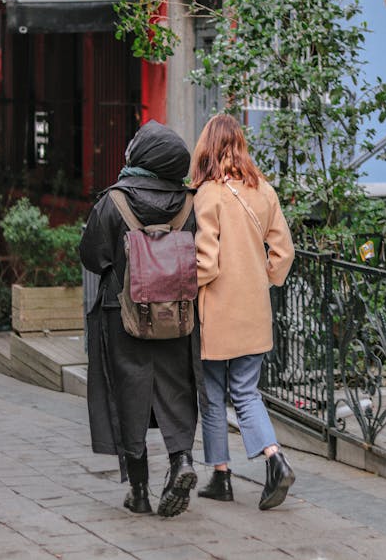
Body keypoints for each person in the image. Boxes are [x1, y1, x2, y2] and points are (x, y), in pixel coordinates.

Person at [79, 119, 202, 518]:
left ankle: (140, 490)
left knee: (127, 396)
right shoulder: (189, 203)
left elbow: (92, 256)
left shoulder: (113, 202)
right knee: (175, 389)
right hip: (176, 316)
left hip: (123, 315)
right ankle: (181, 461)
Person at [190, 113, 296, 510]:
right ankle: (269, 461)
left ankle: (227, 474)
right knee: (247, 391)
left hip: (216, 315)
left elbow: (206, 263)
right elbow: (284, 254)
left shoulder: (208, 195)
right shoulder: (264, 191)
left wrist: (183, 286)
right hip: (254, 313)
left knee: (214, 395)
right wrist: (261, 280)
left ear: (209, 148)